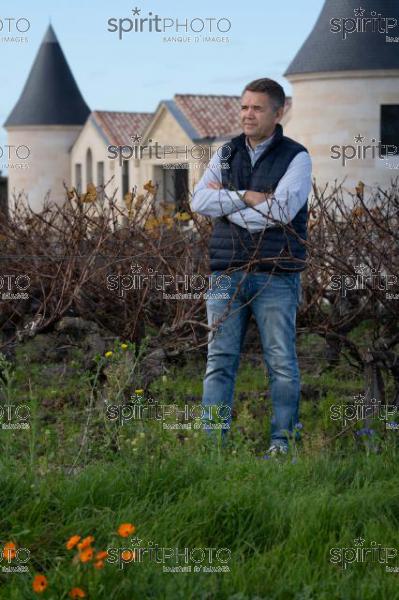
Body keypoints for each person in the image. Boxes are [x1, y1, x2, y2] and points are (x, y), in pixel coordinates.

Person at [191, 78, 312, 455]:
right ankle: (213, 446)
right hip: (226, 273)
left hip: (276, 274)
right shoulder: (225, 153)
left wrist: (228, 208)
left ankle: (282, 444)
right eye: (244, 107)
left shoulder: (297, 157)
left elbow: (279, 213)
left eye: (257, 108)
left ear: (278, 113)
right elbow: (198, 201)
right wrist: (245, 196)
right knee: (219, 361)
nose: (248, 114)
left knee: (281, 362)